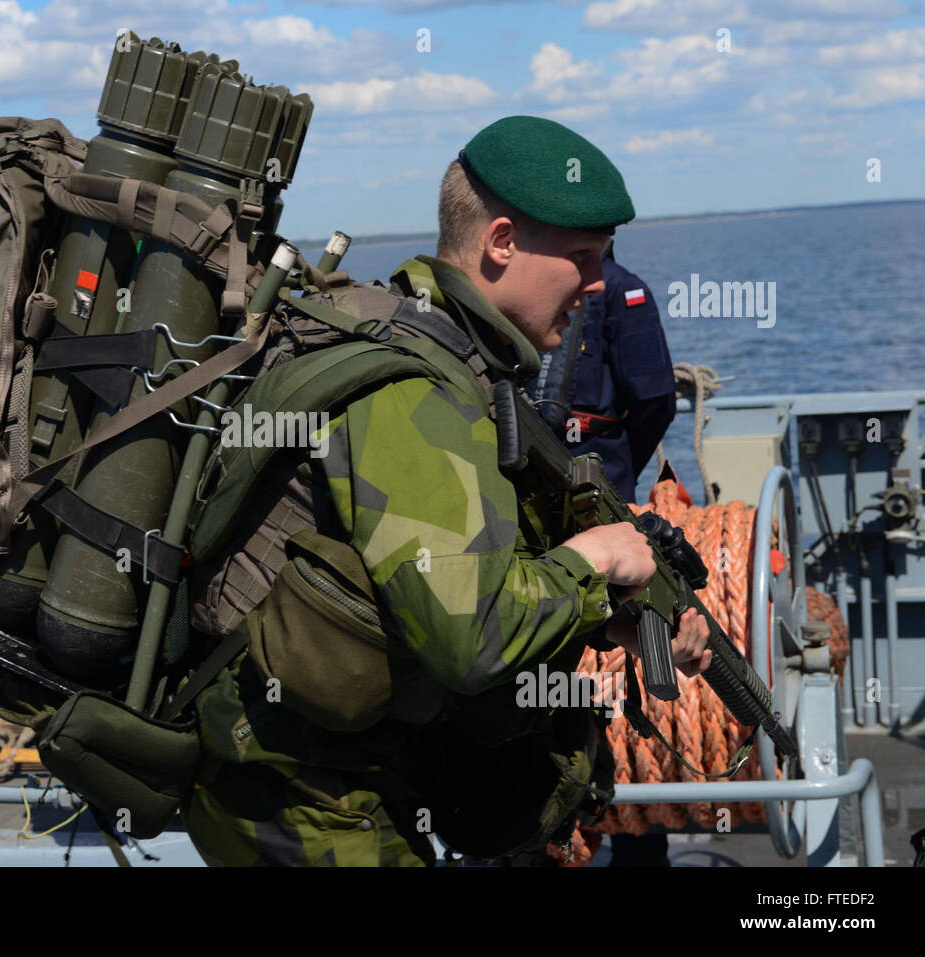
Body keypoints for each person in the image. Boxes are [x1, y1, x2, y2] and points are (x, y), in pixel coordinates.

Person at [180, 115, 712, 866]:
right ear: (500, 243)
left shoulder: (443, 352)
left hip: (341, 775)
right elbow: (478, 636)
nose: (597, 284)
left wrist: (602, 622)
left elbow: (451, 576)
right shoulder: (416, 391)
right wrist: (596, 560)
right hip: (303, 799)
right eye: (583, 258)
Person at [536, 248, 678, 866]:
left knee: (628, 662)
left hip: (604, 485)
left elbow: (654, 401)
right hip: (535, 483)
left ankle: (636, 839)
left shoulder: (624, 293)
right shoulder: (535, 290)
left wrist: (619, 473)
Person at [534, 245, 676, 502]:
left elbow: (655, 401)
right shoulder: (622, 287)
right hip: (588, 464)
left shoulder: (623, 290)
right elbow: (657, 401)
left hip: (589, 467)